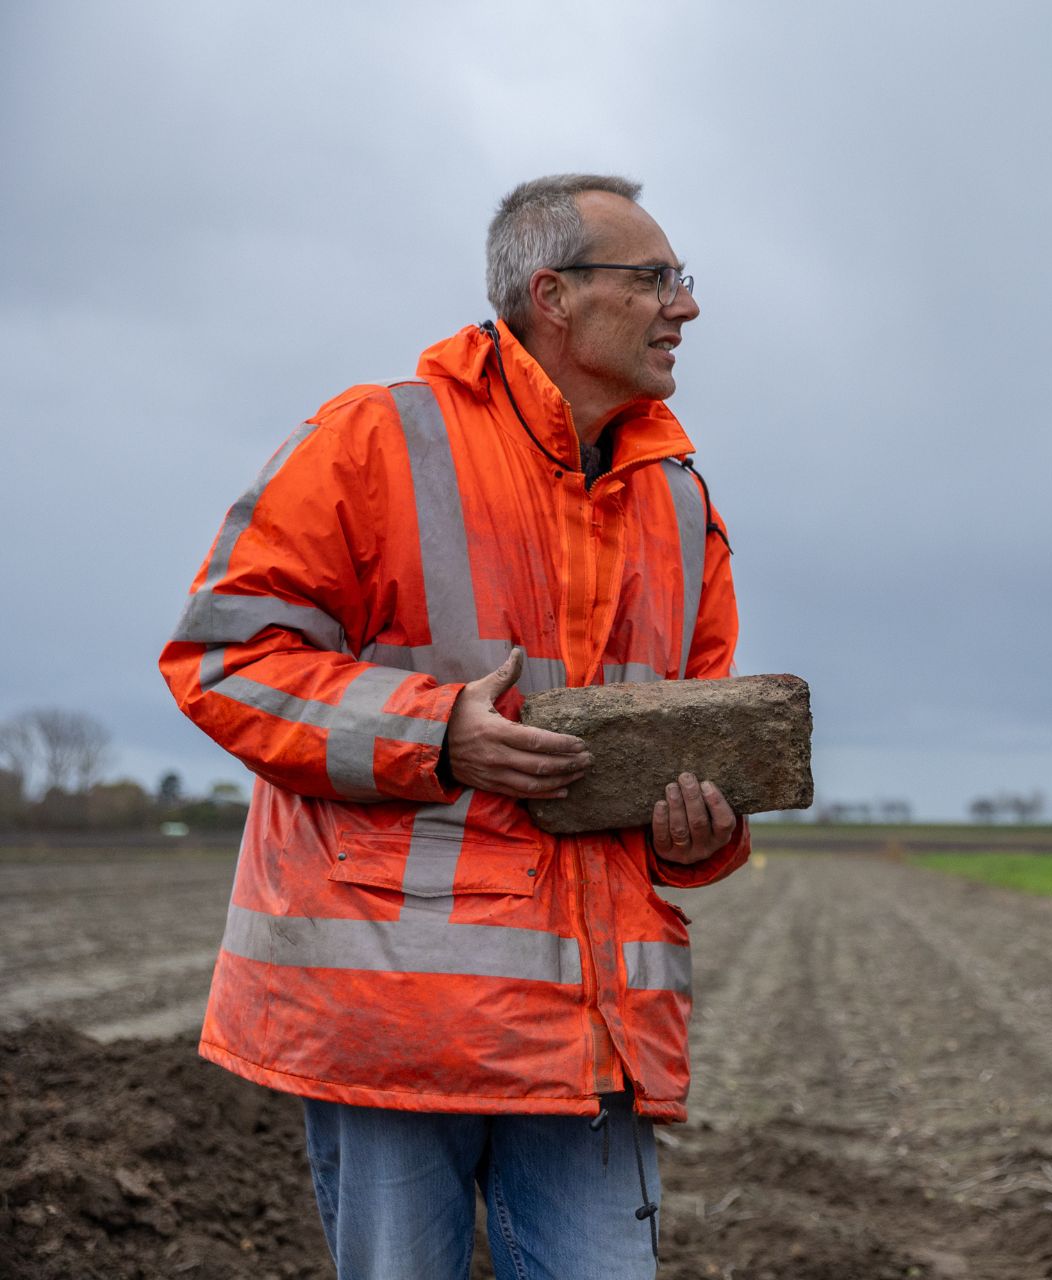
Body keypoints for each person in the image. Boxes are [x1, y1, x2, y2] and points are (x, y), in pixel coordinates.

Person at [159, 173, 747, 1279]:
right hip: (394, 1026)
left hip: (593, 1040)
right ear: (553, 295)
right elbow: (223, 659)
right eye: (656, 278)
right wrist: (435, 733)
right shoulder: (374, 439)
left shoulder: (680, 500)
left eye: (685, 279)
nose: (687, 306)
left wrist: (698, 828)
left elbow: (700, 730)